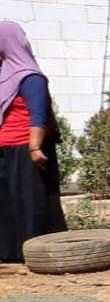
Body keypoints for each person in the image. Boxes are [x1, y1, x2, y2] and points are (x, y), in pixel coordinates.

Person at [0, 21, 66, 262]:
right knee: (8, 202)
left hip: (27, 149)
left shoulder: (30, 77)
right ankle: (10, 252)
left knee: (30, 202)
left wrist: (35, 147)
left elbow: (37, 114)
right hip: (5, 149)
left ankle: (38, 252)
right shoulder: (4, 76)